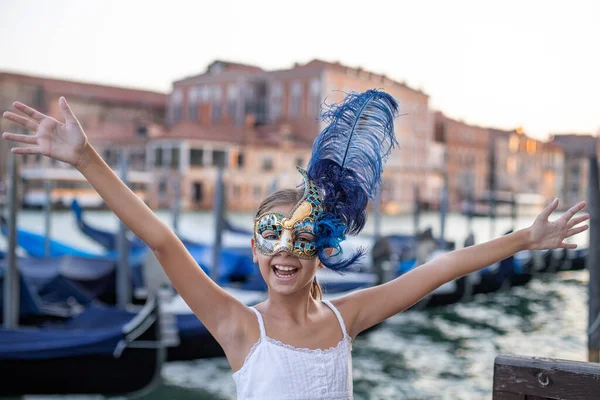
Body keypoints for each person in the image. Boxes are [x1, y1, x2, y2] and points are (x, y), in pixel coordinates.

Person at [2, 91, 589, 400]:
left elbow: (440, 269)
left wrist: (527, 239)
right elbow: (160, 238)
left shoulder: (345, 317)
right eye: (270, 236)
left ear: (321, 248)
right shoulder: (237, 327)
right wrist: (83, 158)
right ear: (257, 253)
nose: (284, 249)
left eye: (300, 236)